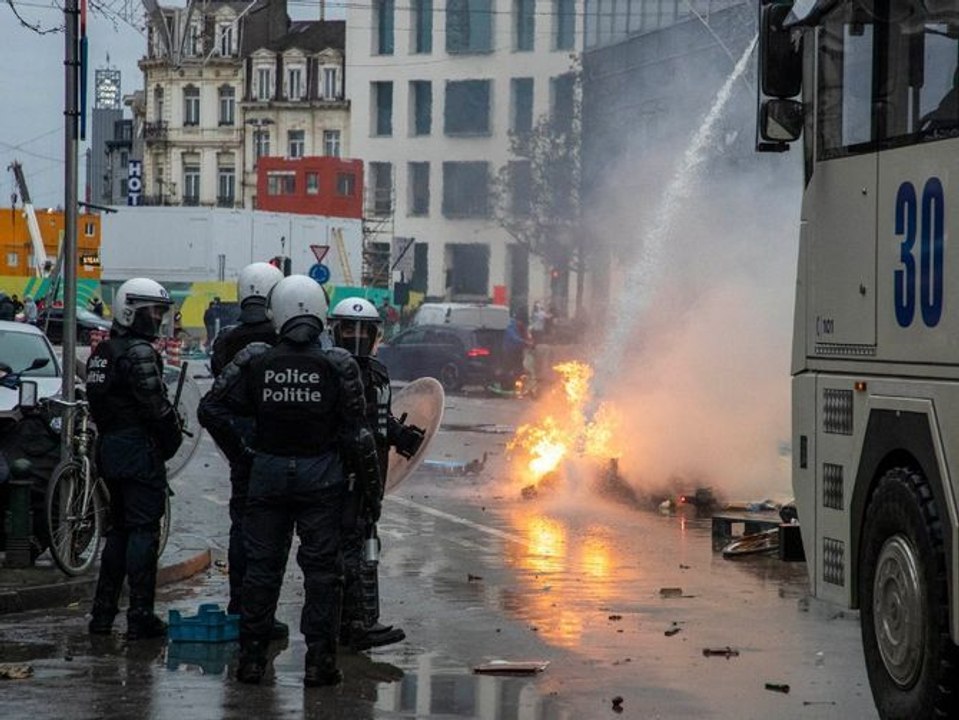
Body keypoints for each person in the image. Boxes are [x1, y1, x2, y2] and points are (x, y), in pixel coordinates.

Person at [198, 275, 381, 687]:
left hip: (268, 474)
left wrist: (244, 455)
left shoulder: (255, 357)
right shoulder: (339, 364)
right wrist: (371, 494)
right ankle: (319, 662)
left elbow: (210, 409)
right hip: (322, 479)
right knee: (322, 574)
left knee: (262, 571)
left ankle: (252, 661)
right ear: (320, 314)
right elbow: (359, 435)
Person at [85, 277, 183, 640]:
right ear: (131, 310)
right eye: (152, 311)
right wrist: (169, 440)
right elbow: (155, 408)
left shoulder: (102, 353)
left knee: (119, 532)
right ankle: (140, 614)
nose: (157, 319)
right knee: (143, 531)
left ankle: (103, 614)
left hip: (109, 449)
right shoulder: (139, 352)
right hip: (137, 450)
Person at [328, 297, 425, 652]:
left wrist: (405, 437)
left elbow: (378, 423)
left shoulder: (379, 373)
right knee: (347, 551)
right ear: (334, 331)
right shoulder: (328, 369)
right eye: (349, 328)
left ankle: (359, 620)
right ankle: (353, 624)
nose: (356, 336)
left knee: (365, 546)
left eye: (363, 329)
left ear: (374, 334)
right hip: (342, 477)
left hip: (372, 477)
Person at [208, 262, 288, 639]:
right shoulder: (282, 339)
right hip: (275, 445)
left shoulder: (226, 340)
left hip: (238, 444)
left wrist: (236, 447)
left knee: (241, 527)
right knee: (273, 535)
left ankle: (239, 604)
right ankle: (262, 615)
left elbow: (216, 393)